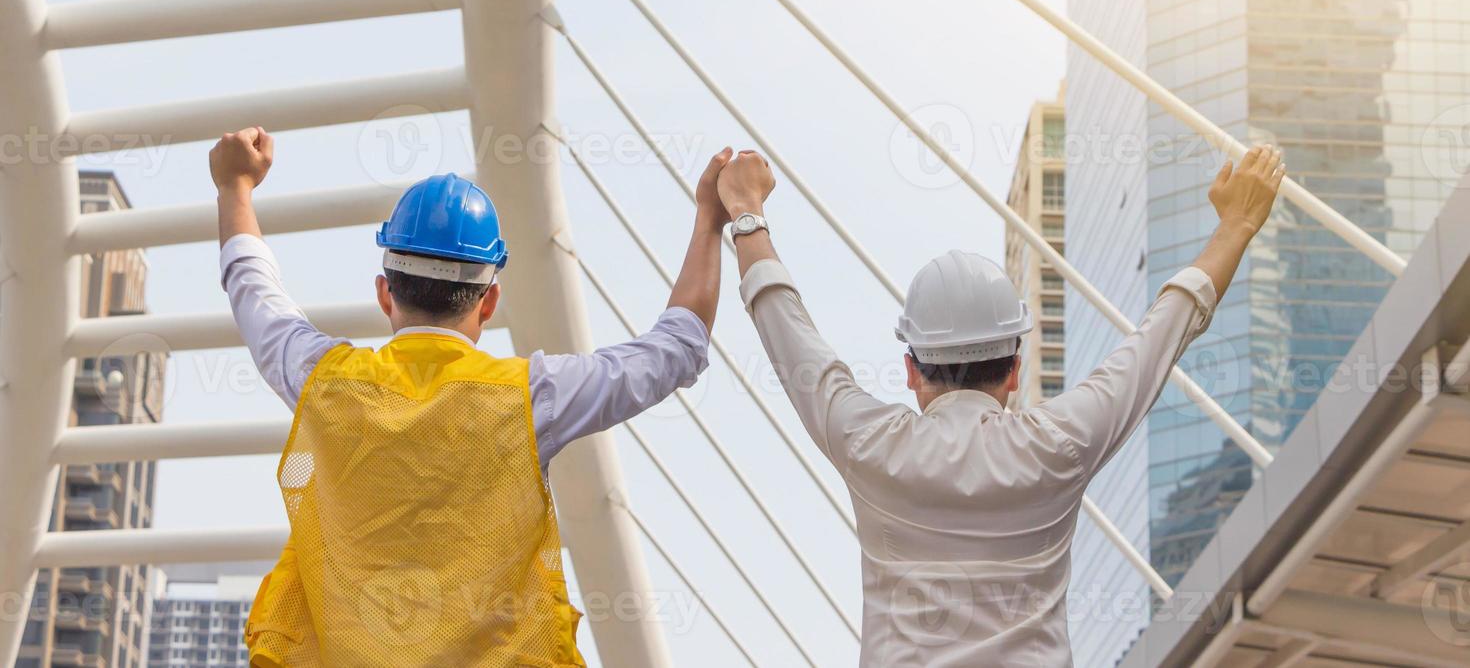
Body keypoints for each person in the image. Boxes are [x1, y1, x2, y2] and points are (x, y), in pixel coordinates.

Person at [717, 144, 1286, 666]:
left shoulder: (869, 443)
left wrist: (746, 210)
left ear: (911, 371)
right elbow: (1164, 333)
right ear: (1016, 370)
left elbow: (785, 327)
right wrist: (1236, 224)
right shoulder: (1060, 442)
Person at [209, 126, 732, 667]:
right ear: (489, 302)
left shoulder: (323, 379)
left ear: (385, 291)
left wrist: (235, 188)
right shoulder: (531, 397)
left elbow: (253, 290)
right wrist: (710, 221)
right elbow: (676, 349)